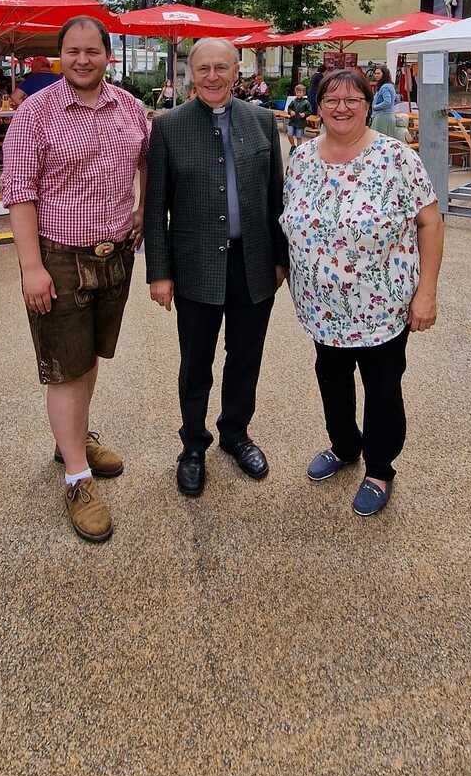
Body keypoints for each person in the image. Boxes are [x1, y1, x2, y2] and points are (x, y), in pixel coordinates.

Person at [2, 16, 150, 544]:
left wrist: (142, 208)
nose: (82, 59)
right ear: (60, 54)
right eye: (73, 51)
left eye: (92, 50)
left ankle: (75, 439)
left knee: (87, 358)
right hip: (59, 257)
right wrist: (32, 268)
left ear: (107, 55)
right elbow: (19, 193)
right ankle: (76, 478)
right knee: (64, 369)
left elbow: (146, 161)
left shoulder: (131, 108)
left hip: (115, 256)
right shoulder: (36, 115)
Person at [281, 68, 443, 518]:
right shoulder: (302, 159)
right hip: (321, 307)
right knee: (331, 378)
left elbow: (430, 222)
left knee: (382, 386)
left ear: (369, 103)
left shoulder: (396, 158)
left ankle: (379, 467)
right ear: (317, 106)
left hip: (383, 305)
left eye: (353, 98)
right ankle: (344, 445)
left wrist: (426, 292)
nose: (342, 107)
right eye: (331, 99)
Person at [144, 37, 288, 498]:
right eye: (202, 67)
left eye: (220, 67)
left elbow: (275, 198)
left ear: (236, 70)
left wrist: (281, 258)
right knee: (196, 362)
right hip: (195, 266)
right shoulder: (168, 127)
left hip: (253, 265)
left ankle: (235, 433)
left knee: (246, 358)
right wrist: (159, 271)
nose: (212, 76)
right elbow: (155, 208)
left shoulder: (262, 120)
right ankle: (192, 445)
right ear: (190, 72)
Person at [371, 66, 405, 138]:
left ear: (384, 74)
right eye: (375, 73)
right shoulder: (390, 85)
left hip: (383, 117)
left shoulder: (385, 87)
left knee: (379, 140)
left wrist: (375, 107)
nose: (376, 75)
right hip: (388, 116)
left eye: (378, 73)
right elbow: (395, 100)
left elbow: (387, 102)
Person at [285, 82, 312, 150]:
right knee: (289, 134)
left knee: (299, 137)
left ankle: (298, 149)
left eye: (300, 92)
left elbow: (310, 111)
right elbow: (289, 108)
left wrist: (305, 114)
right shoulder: (293, 101)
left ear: (303, 93)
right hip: (292, 121)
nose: (298, 94)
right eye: (297, 92)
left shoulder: (306, 102)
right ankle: (293, 146)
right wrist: (290, 111)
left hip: (300, 122)